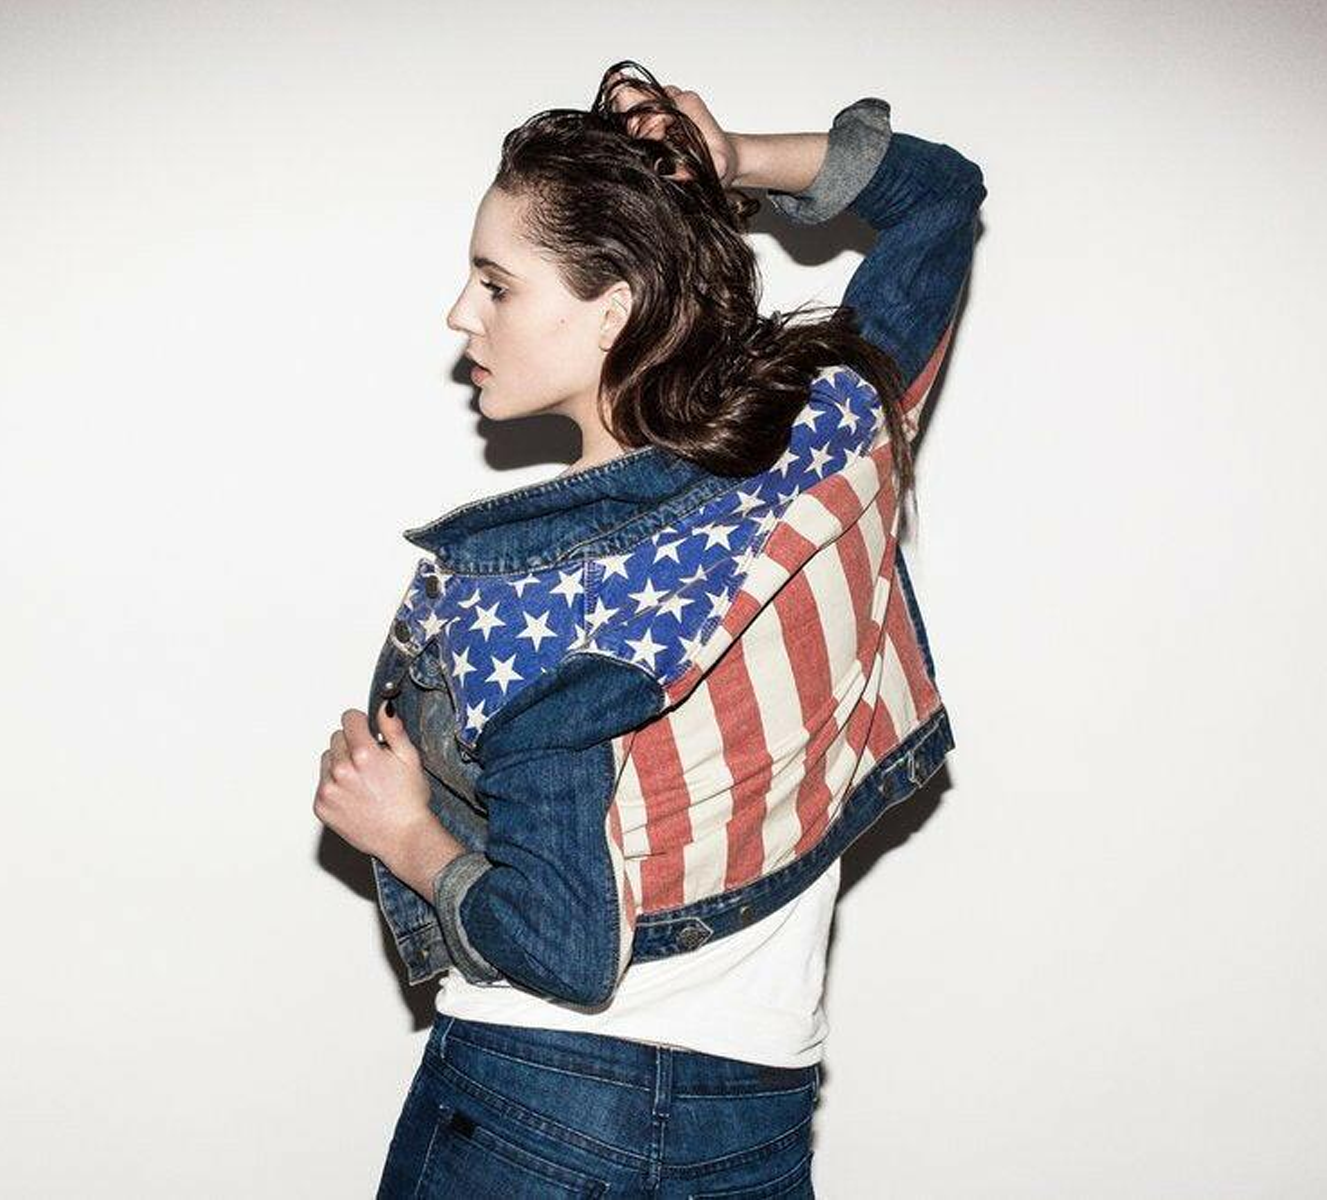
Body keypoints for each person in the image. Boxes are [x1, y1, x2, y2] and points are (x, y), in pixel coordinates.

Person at [314, 60, 986, 1198]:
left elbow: (565, 951)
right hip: (754, 1117)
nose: (460, 314)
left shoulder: (517, 593)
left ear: (613, 306)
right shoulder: (831, 436)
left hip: (532, 1105)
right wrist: (742, 161)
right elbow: (941, 196)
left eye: (497, 284)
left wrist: (406, 834)